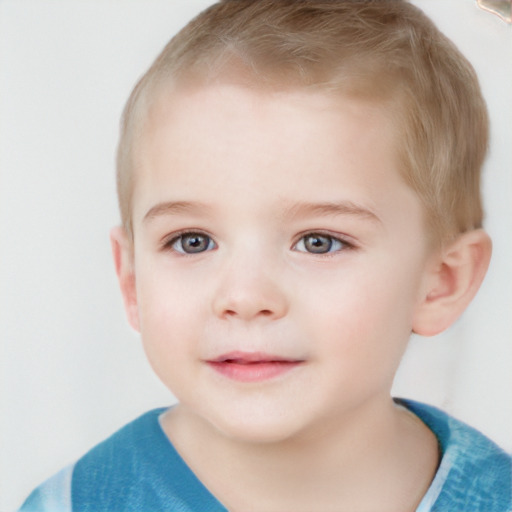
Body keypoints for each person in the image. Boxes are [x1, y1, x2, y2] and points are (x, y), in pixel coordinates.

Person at [19, 1, 511, 511]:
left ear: (440, 283)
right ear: (131, 281)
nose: (245, 297)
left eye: (319, 242)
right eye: (192, 241)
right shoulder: (75, 503)